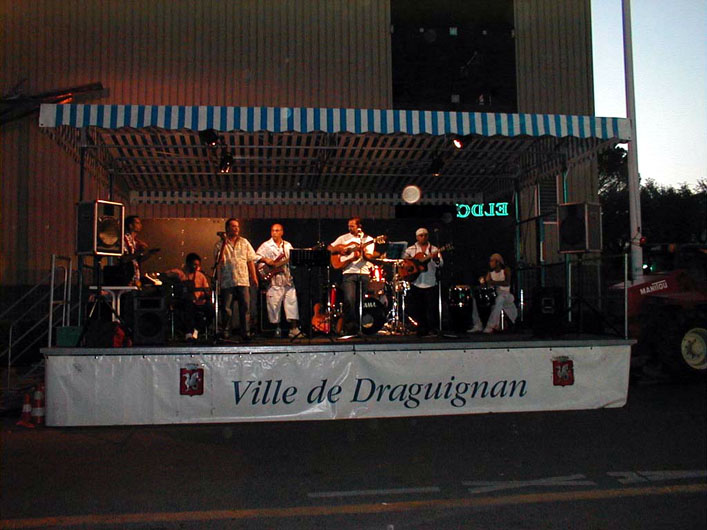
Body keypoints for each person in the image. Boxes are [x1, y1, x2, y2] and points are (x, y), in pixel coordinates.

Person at [327, 217, 379, 335]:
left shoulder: (368, 239)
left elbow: (369, 256)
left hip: (363, 273)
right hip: (348, 272)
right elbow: (330, 248)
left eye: (352, 226)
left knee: (360, 302)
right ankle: (351, 327)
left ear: (359, 226)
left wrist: (363, 252)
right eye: (349, 226)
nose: (349, 228)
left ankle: (359, 326)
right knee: (349, 300)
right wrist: (340, 249)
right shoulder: (343, 238)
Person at [214, 218, 259, 340]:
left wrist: (254, 277)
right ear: (227, 228)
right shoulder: (219, 244)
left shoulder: (244, 242)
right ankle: (226, 331)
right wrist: (224, 242)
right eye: (233, 226)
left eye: (237, 226)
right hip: (227, 281)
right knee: (227, 308)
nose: (236, 228)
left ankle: (246, 332)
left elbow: (250, 260)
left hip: (242, 279)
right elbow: (219, 262)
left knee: (245, 307)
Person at [256, 223, 301, 338]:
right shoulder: (266, 245)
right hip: (274, 281)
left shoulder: (287, 245)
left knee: (292, 304)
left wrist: (293, 263)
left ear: (282, 232)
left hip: (287, 279)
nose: (274, 233)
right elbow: (255, 257)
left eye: (277, 230)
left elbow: (292, 261)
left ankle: (294, 329)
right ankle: (276, 329)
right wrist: (266, 260)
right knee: (274, 306)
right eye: (273, 230)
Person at [403, 228, 444, 336]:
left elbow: (440, 264)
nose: (423, 237)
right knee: (418, 307)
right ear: (417, 237)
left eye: (425, 235)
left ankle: (432, 328)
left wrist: (435, 259)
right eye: (421, 235)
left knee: (431, 307)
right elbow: (403, 262)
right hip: (416, 281)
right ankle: (421, 329)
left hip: (430, 281)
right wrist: (408, 266)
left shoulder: (434, 249)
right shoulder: (410, 249)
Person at [164, 253, 212, 341]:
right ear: (188, 264)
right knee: (188, 305)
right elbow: (165, 275)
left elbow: (206, 291)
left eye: (198, 265)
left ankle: (197, 330)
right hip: (184, 301)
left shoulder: (201, 276)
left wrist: (204, 295)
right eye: (194, 264)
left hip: (198, 302)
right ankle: (188, 333)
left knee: (210, 309)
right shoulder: (179, 273)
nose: (196, 267)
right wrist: (179, 279)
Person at [469, 253, 518, 333]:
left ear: (498, 262)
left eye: (492, 261)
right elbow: (486, 283)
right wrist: (483, 281)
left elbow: (507, 282)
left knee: (499, 299)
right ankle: (477, 324)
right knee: (476, 299)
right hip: (495, 294)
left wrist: (493, 282)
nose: (490, 263)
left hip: (506, 294)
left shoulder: (506, 270)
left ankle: (491, 325)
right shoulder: (490, 273)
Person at [122, 215, 151, 286]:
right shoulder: (124, 239)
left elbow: (136, 260)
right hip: (126, 276)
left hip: (135, 277)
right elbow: (124, 259)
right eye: (137, 223)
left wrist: (149, 254)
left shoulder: (136, 241)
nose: (140, 225)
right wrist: (140, 251)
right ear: (130, 226)